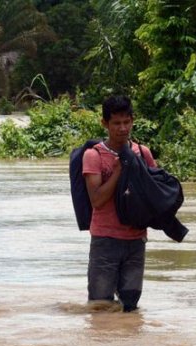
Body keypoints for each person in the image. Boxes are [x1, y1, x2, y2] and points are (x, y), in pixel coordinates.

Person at [83, 95, 155, 312]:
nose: (122, 128)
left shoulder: (143, 153)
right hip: (105, 240)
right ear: (104, 123)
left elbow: (155, 191)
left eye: (126, 122)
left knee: (131, 307)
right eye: (116, 123)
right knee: (100, 305)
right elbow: (96, 200)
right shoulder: (93, 156)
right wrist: (118, 171)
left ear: (133, 120)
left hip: (136, 240)